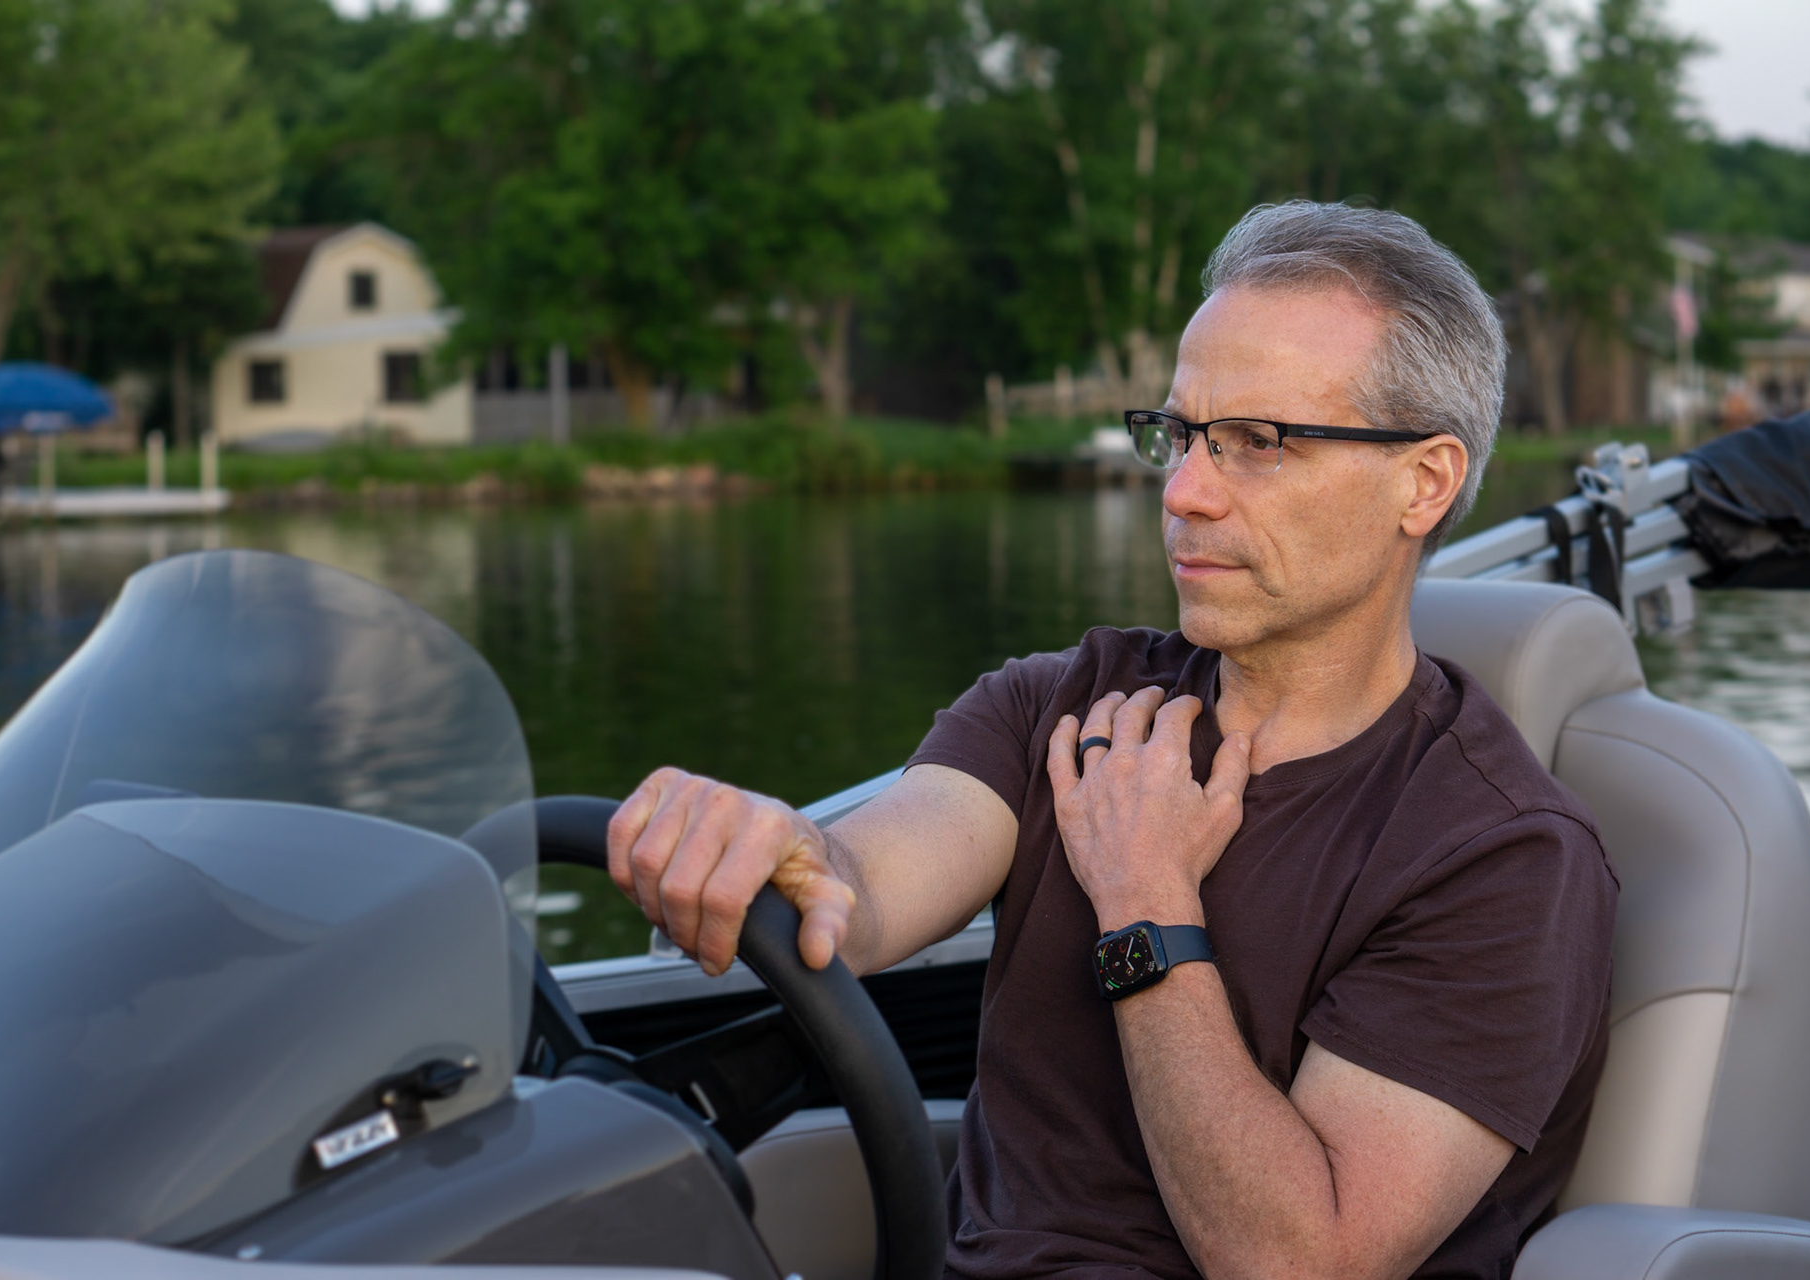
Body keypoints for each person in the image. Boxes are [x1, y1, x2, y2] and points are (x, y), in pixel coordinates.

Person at [608, 201, 1617, 1280]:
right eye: (1179, 435)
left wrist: (1144, 898)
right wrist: (785, 850)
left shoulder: (1503, 857)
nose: (1183, 492)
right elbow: (860, 887)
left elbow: (1295, 1261)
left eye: (1258, 443)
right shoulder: (1064, 703)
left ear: (1424, 482)